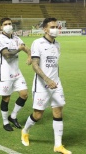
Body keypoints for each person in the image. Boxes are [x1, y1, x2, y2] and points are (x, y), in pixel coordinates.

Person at [21, 18, 72, 154]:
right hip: (42, 85)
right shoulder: (37, 43)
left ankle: (58, 145)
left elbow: (55, 66)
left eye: (57, 26)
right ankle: (25, 131)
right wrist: (47, 79)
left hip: (56, 84)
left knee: (58, 111)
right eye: (52, 26)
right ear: (45, 29)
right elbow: (35, 64)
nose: (56, 29)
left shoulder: (57, 45)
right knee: (38, 115)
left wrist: (54, 80)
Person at [0, 17, 32, 131]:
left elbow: (26, 48)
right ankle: (5, 122)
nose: (8, 26)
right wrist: (19, 49)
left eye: (10, 23)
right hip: (5, 74)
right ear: (1, 27)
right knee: (6, 98)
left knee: (24, 94)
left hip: (16, 72)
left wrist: (30, 55)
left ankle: (13, 116)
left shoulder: (16, 38)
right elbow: (7, 55)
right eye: (5, 24)